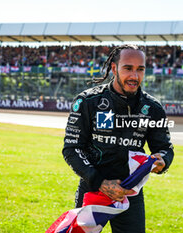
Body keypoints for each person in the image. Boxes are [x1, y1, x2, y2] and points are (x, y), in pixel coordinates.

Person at [62, 44, 174, 233]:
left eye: (140, 69)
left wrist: (163, 161)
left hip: (130, 193)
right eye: (128, 68)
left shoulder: (153, 108)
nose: (134, 76)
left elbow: (164, 148)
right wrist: (100, 183)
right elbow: (72, 148)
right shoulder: (88, 101)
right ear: (114, 68)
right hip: (93, 187)